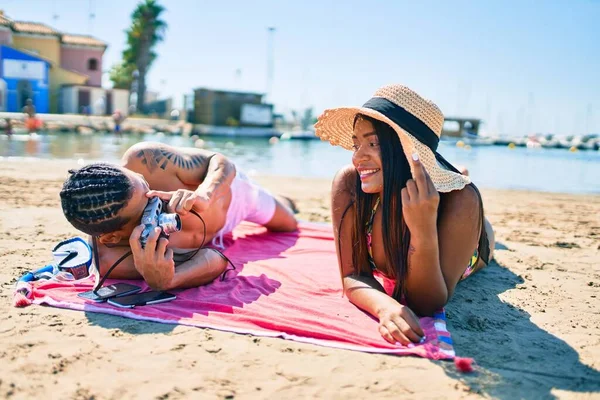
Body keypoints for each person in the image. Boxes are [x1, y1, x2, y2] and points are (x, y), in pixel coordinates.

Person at [314, 84, 495, 345]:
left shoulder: (460, 201)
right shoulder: (350, 185)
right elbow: (352, 275)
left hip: (474, 242)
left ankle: (458, 176)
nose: (358, 158)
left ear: (408, 150)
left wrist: (423, 232)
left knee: (485, 226)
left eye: (373, 143)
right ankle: (457, 171)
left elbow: (427, 303)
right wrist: (385, 307)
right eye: (356, 144)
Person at [59, 142, 298, 291]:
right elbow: (216, 259)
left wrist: (205, 194)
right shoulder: (113, 258)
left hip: (235, 195)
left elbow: (220, 161)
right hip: (216, 233)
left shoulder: (145, 160)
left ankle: (284, 200)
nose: (157, 199)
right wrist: (168, 280)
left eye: (146, 186)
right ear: (112, 237)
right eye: (147, 208)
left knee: (289, 224)